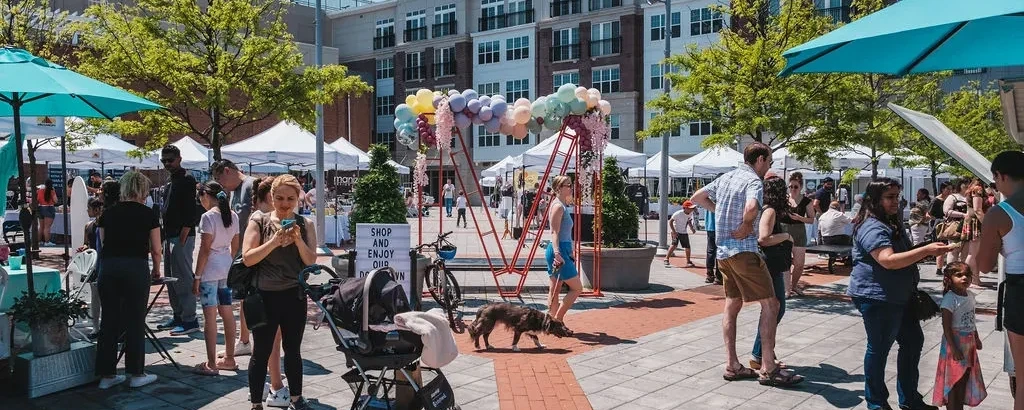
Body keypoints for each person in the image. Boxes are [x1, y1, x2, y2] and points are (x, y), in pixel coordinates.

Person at [689, 142, 803, 387]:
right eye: (769, 161)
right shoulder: (753, 182)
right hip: (744, 252)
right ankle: (769, 367)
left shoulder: (727, 177)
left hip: (723, 254)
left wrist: (719, 210)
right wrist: (746, 224)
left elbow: (697, 197)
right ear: (760, 159)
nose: (769, 166)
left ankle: (732, 364)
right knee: (771, 305)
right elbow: (752, 206)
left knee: (732, 306)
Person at [848, 177, 954, 410]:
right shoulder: (872, 226)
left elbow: (902, 255)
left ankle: (910, 400)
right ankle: (876, 404)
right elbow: (887, 260)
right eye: (890, 197)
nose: (896, 202)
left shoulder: (891, 222)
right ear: (875, 200)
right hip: (878, 297)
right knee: (879, 349)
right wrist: (926, 250)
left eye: (898, 196)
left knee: (913, 341)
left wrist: (931, 247)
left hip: (900, 295)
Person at [242, 174, 317, 410]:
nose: (285, 204)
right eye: (280, 198)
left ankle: (296, 397)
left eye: (291, 199)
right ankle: (256, 403)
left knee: (292, 350)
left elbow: (310, 262)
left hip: (294, 295)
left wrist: (297, 241)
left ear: (298, 199)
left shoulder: (306, 225)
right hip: (265, 296)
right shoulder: (259, 222)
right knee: (261, 351)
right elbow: (247, 258)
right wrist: (274, 242)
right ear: (271, 197)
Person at [94, 171, 161, 389]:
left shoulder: (108, 213)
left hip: (110, 267)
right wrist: (157, 270)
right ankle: (136, 373)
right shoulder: (148, 213)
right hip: (135, 267)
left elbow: (103, 244)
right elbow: (156, 249)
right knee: (135, 319)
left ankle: (107, 374)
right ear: (142, 189)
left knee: (109, 320)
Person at [976, 151, 1024, 410]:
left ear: (1001, 176)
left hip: (1020, 290)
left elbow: (984, 265)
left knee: (1023, 376)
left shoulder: (999, 213)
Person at [191, 181, 240, 376]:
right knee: (227, 312)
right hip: (225, 267)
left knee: (209, 316)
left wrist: (197, 276)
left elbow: (204, 249)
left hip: (210, 271)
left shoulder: (207, 217)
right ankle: (229, 357)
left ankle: (211, 363)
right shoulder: (233, 215)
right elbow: (235, 246)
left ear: (205, 195)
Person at [750, 176, 793, 371]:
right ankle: (760, 354)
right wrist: (786, 236)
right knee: (775, 309)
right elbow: (764, 238)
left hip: (767, 264)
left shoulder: (761, 207)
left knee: (771, 309)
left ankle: (765, 353)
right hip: (770, 264)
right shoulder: (769, 210)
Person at [157, 144, 201, 336]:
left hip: (180, 236)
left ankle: (190, 319)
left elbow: (192, 211)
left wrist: (183, 235)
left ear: (179, 159)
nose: (167, 163)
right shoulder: (171, 181)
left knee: (182, 278)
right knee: (171, 279)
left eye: (170, 160)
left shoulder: (187, 180)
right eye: (164, 160)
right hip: (169, 235)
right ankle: (179, 315)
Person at [932, 262, 987, 409]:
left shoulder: (970, 296)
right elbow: (946, 327)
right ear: (949, 279)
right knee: (953, 380)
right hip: (954, 344)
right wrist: (954, 348)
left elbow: (971, 319)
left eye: (967, 275)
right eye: (959, 275)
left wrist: (976, 337)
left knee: (964, 378)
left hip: (968, 344)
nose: (965, 278)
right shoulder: (950, 299)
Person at [544, 175, 582, 322]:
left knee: (555, 289)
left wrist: (569, 251)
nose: (571, 187)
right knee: (577, 288)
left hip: (561, 249)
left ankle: (551, 320)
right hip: (558, 250)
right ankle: (558, 319)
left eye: (570, 185)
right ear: (559, 188)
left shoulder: (561, 204)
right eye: (568, 185)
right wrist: (558, 253)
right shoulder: (558, 206)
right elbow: (554, 232)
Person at [782, 172, 814, 297]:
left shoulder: (807, 201)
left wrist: (800, 218)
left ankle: (794, 285)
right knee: (785, 263)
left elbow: (811, 219)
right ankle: (787, 288)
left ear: (801, 187)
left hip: (799, 231)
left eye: (795, 187)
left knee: (799, 264)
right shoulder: (784, 199)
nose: (793, 189)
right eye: (790, 187)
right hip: (784, 231)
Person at [965, 178, 988, 286]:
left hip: (974, 222)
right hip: (977, 224)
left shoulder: (972, 189)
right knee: (973, 254)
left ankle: (974, 279)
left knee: (974, 253)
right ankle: (972, 280)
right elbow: (978, 210)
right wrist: (987, 225)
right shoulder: (977, 189)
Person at [943, 179, 971, 264]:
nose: (967, 185)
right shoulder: (953, 197)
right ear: (960, 185)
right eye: (965, 183)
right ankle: (951, 272)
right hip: (956, 226)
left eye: (969, 184)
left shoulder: (971, 197)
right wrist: (963, 215)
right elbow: (946, 211)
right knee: (953, 251)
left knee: (966, 252)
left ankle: (963, 272)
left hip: (969, 227)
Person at [665, 200, 697, 267]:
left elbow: (689, 221)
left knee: (687, 247)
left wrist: (692, 228)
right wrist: (674, 231)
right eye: (690, 208)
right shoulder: (678, 213)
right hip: (676, 231)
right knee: (674, 245)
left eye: (692, 208)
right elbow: (670, 221)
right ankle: (666, 259)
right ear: (685, 208)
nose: (692, 209)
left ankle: (688, 261)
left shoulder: (690, 213)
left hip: (684, 232)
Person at [931, 182, 953, 273]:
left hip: (949, 224)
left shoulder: (951, 199)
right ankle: (939, 268)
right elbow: (930, 214)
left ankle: (946, 266)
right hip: (940, 224)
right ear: (942, 189)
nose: (950, 191)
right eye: (948, 189)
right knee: (941, 245)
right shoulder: (936, 200)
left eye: (951, 189)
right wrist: (940, 219)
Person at [36, 179, 58, 246]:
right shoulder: (52, 191)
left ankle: (39, 241)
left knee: (41, 227)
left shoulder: (39, 190)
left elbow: (37, 200)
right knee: (47, 227)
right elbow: (56, 201)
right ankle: (47, 242)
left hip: (40, 208)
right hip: (49, 208)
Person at [704, 207, 722, 285]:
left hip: (710, 226)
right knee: (720, 250)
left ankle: (709, 274)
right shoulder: (718, 196)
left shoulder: (706, 196)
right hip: (719, 225)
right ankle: (718, 276)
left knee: (710, 250)